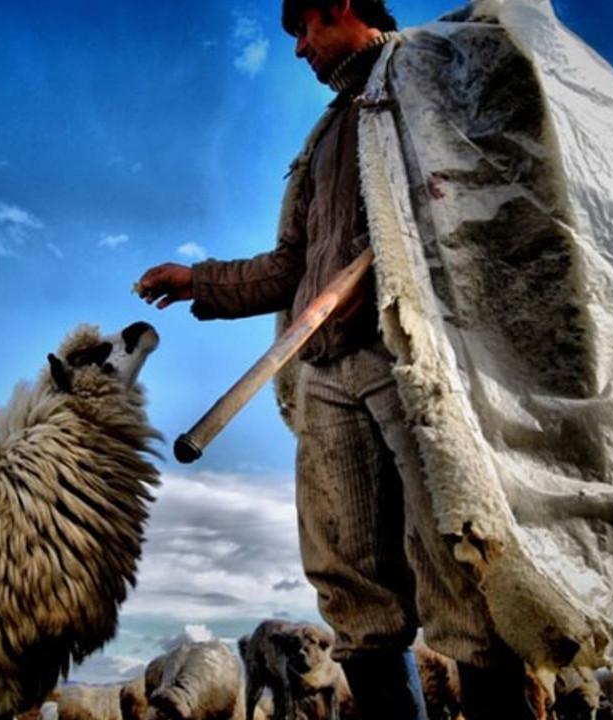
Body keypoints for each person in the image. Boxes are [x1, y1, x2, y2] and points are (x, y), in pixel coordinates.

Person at [135, 2, 538, 718]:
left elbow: (475, 198)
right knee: (349, 579)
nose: (298, 51)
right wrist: (198, 281)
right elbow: (292, 265)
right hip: (324, 376)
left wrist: (389, 275)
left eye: (305, 30)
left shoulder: (423, 75)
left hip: (407, 360)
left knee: (455, 563)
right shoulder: (324, 137)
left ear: (343, 6)